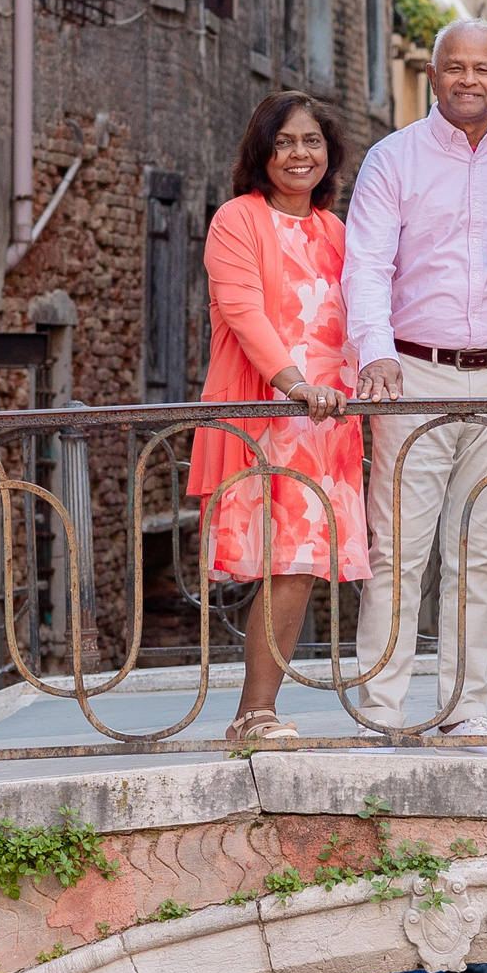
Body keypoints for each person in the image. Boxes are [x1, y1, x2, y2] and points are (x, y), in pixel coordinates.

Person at [342, 19, 487, 747]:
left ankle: (465, 708)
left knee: (477, 549)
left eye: (481, 69)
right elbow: (363, 264)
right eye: (454, 67)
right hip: (412, 373)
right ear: (432, 75)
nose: (468, 80)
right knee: (398, 548)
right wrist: (373, 351)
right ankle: (381, 713)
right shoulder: (392, 159)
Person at [186, 91, 367, 746]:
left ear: (329, 153)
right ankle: (253, 714)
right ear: (262, 153)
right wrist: (294, 385)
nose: (299, 154)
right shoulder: (237, 220)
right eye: (285, 142)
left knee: (304, 566)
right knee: (284, 562)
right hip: (269, 417)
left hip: (329, 425)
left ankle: (258, 710)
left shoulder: (336, 232)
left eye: (311, 142)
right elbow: (243, 311)